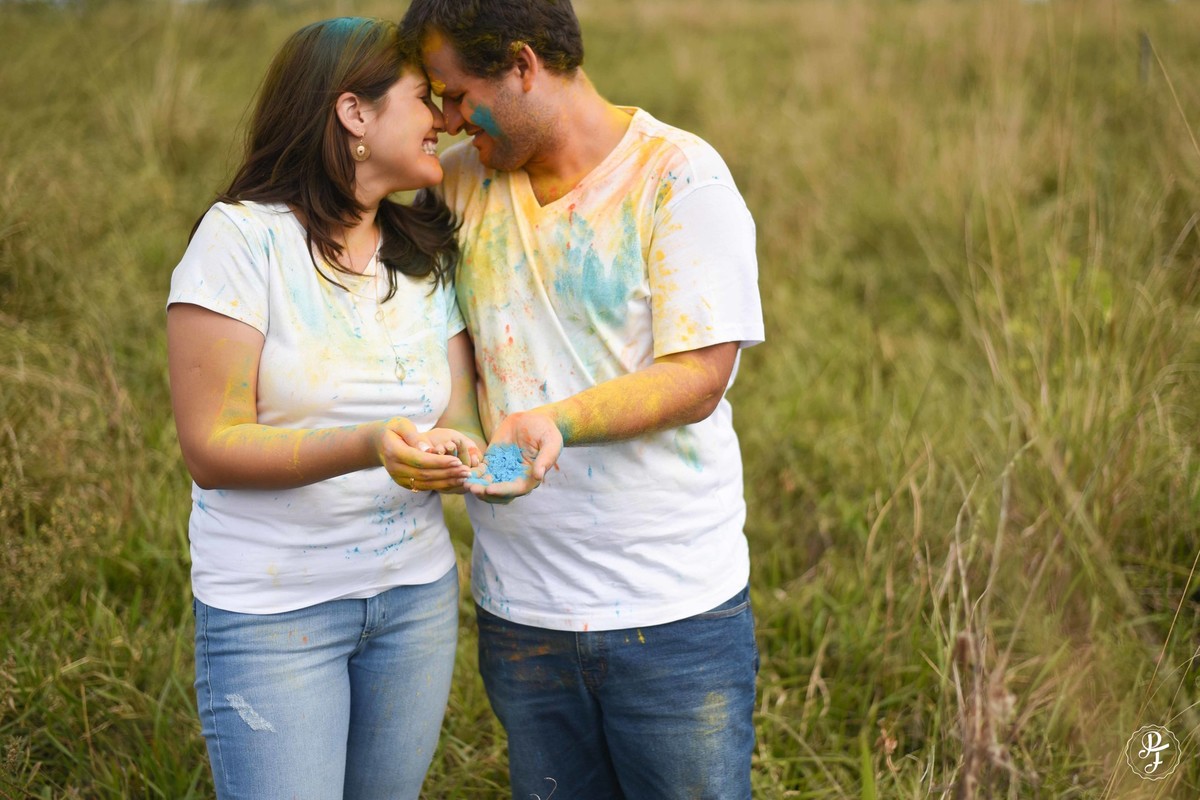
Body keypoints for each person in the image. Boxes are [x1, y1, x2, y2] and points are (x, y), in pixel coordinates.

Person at [398, 2, 766, 797]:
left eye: (459, 96)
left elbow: (700, 375)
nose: (452, 122)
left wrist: (555, 422)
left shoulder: (679, 177)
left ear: (524, 65)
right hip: (520, 611)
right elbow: (454, 348)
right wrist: (458, 435)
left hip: (672, 612)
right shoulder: (460, 184)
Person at [165, 17, 485, 800]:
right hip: (275, 616)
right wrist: (370, 444)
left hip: (415, 604)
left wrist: (479, 459)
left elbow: (463, 422)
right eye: (422, 99)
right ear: (355, 114)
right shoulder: (241, 242)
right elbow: (210, 444)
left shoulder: (422, 253)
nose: (442, 121)